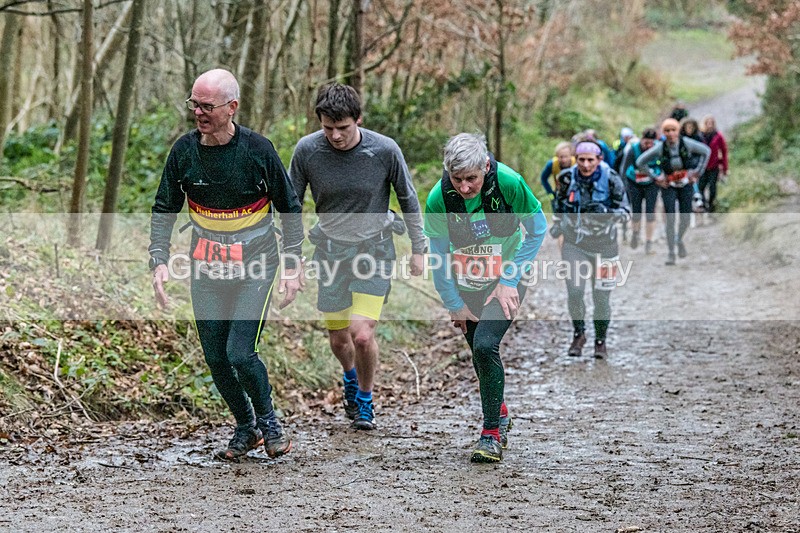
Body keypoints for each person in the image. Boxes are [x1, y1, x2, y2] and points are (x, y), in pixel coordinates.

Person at [149, 69, 303, 461]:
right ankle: (246, 427)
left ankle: (270, 424)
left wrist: (292, 265)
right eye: (194, 104)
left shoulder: (258, 150)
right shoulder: (184, 152)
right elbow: (164, 206)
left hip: (257, 265)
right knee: (217, 359)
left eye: (207, 106)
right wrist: (159, 260)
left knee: (240, 354)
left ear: (232, 107)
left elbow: (289, 206)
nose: (198, 112)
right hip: (207, 267)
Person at [289, 83, 426, 431]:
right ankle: (350, 377)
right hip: (330, 252)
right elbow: (291, 205)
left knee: (361, 334)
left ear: (358, 119)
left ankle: (365, 400)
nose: (335, 136)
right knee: (339, 340)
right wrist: (292, 257)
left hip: (374, 250)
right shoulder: (307, 151)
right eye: (328, 128)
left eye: (343, 128)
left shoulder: (384, 150)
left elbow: (408, 198)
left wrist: (419, 248)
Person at [424, 133, 547, 463]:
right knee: (480, 358)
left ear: (486, 167)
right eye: (457, 179)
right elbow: (438, 256)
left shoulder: (509, 182)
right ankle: (500, 412)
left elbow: (537, 229)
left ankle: (491, 434)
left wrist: (509, 279)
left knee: (484, 345)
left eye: (472, 179)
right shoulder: (439, 198)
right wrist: (453, 303)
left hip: (507, 279)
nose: (464, 187)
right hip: (467, 284)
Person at [550, 141, 630, 359]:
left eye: (590, 160)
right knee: (575, 291)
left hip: (605, 246)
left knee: (601, 297)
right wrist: (558, 225)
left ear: (599, 160)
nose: (586, 165)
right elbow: (558, 205)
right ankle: (579, 334)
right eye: (581, 160)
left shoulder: (611, 178)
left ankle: (600, 341)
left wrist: (606, 212)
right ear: (575, 159)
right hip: (575, 244)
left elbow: (626, 212)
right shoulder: (566, 178)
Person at [636, 118, 710, 265]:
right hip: (668, 185)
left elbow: (706, 151)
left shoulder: (687, 143)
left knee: (685, 218)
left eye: (673, 130)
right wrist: (656, 177)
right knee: (670, 219)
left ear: (678, 131)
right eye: (667, 131)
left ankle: (679, 239)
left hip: (686, 184)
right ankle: (671, 253)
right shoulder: (660, 148)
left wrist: (697, 172)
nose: (670, 133)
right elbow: (640, 162)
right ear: (663, 133)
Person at [619, 127, 660, 254]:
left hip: (651, 183)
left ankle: (649, 242)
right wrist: (624, 185)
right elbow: (625, 168)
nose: (648, 146)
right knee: (636, 211)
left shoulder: (658, 149)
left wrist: (659, 176)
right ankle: (635, 233)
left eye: (651, 143)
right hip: (634, 182)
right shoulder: (633, 149)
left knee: (650, 212)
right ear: (641, 140)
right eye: (646, 142)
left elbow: (663, 165)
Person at [699, 114, 728, 213]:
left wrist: (724, 167)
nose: (710, 125)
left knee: (712, 187)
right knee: (701, 187)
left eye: (711, 123)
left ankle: (711, 205)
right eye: (708, 123)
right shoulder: (700, 135)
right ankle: (703, 204)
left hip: (714, 166)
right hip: (702, 166)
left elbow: (724, 151)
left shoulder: (718, 136)